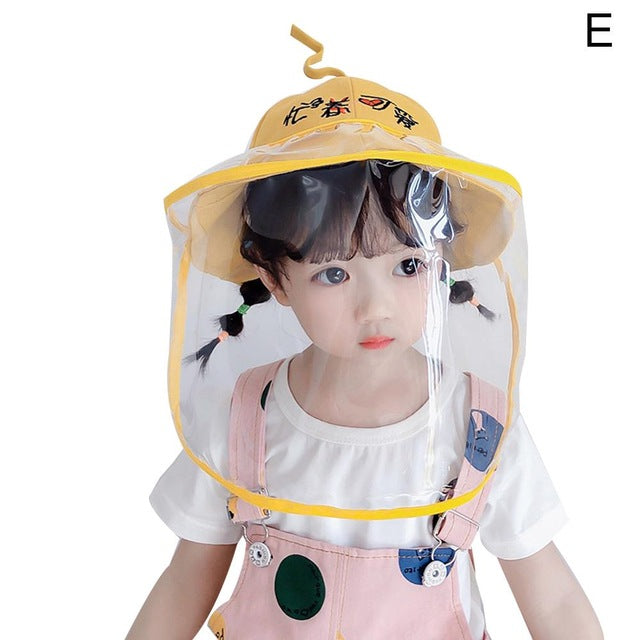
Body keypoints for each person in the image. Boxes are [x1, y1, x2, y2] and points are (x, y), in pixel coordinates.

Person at [126, 26, 602, 640]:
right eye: (333, 273)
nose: (375, 307)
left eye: (407, 266)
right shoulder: (245, 418)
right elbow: (185, 580)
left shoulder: (478, 427)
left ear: (440, 258)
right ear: (273, 278)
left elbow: (555, 600)